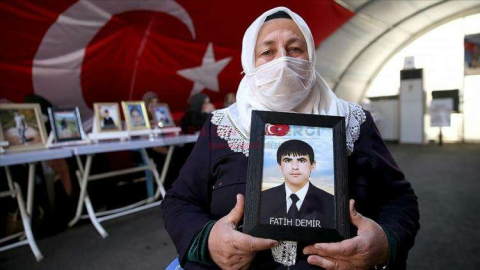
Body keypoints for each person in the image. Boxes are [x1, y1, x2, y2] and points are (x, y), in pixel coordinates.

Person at [162, 7, 419, 269]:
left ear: (311, 56)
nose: (283, 61)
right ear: (249, 63)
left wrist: (385, 243)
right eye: (267, 52)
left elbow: (400, 199)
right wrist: (208, 241)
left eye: (295, 49)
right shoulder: (223, 126)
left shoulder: (354, 121)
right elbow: (179, 201)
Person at [260, 140, 334, 229]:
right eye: (287, 160)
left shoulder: (331, 202)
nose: (295, 167)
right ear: (279, 166)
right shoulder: (263, 199)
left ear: (313, 165)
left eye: (302, 160)